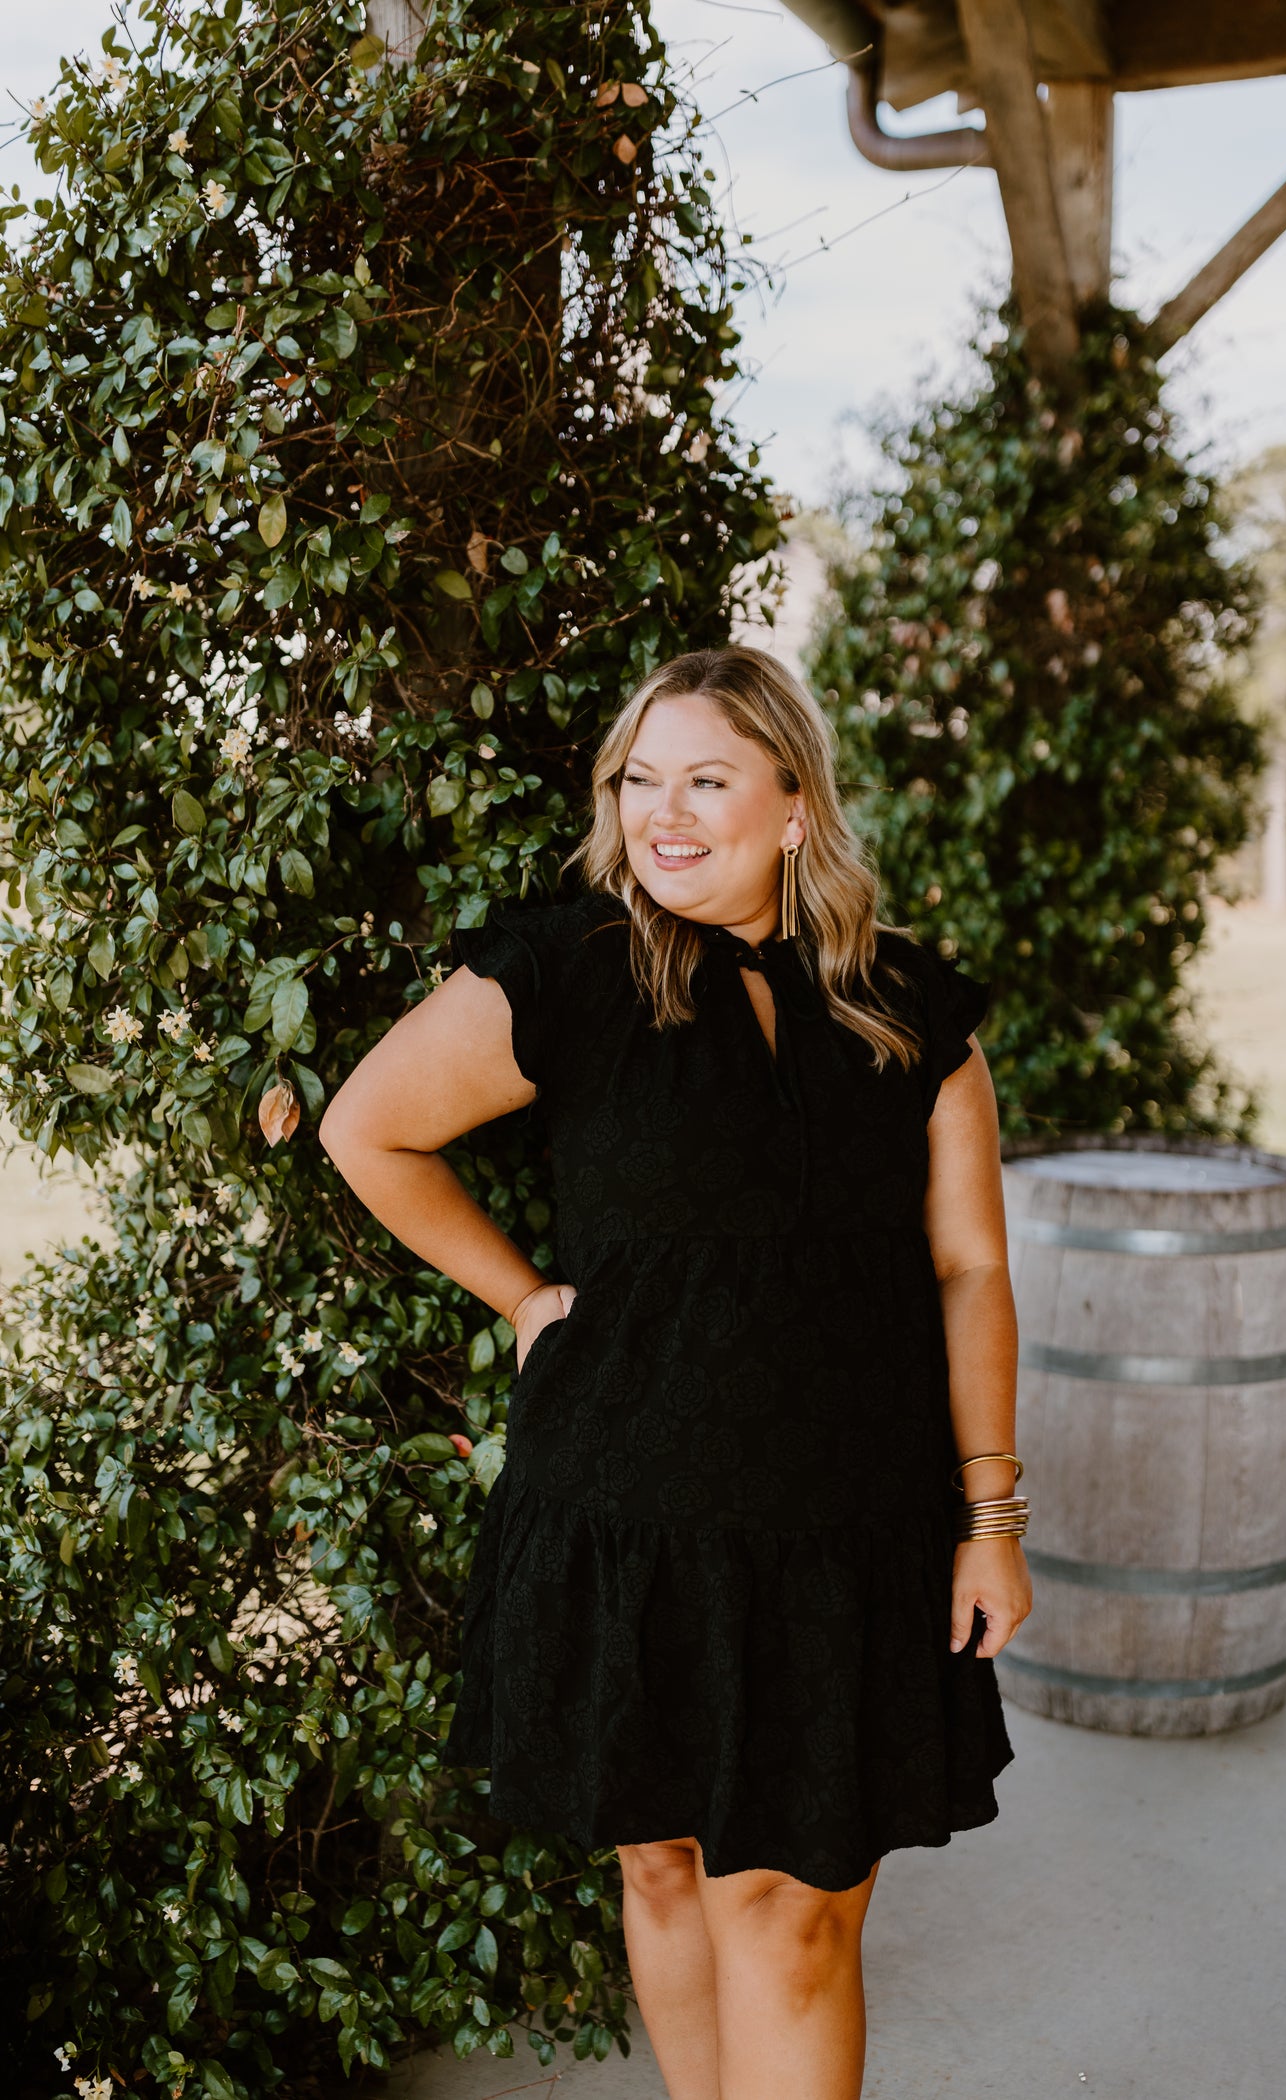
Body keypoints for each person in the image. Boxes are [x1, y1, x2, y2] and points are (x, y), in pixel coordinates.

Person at [320, 645, 1032, 2100]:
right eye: (639, 781)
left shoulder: (910, 1014)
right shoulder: (566, 970)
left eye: (704, 779)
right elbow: (367, 1129)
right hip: (624, 1514)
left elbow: (971, 1270)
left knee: (793, 1907)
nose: (663, 814)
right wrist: (522, 1294)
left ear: (791, 801)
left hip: (847, 1531)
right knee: (659, 1863)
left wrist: (993, 1518)